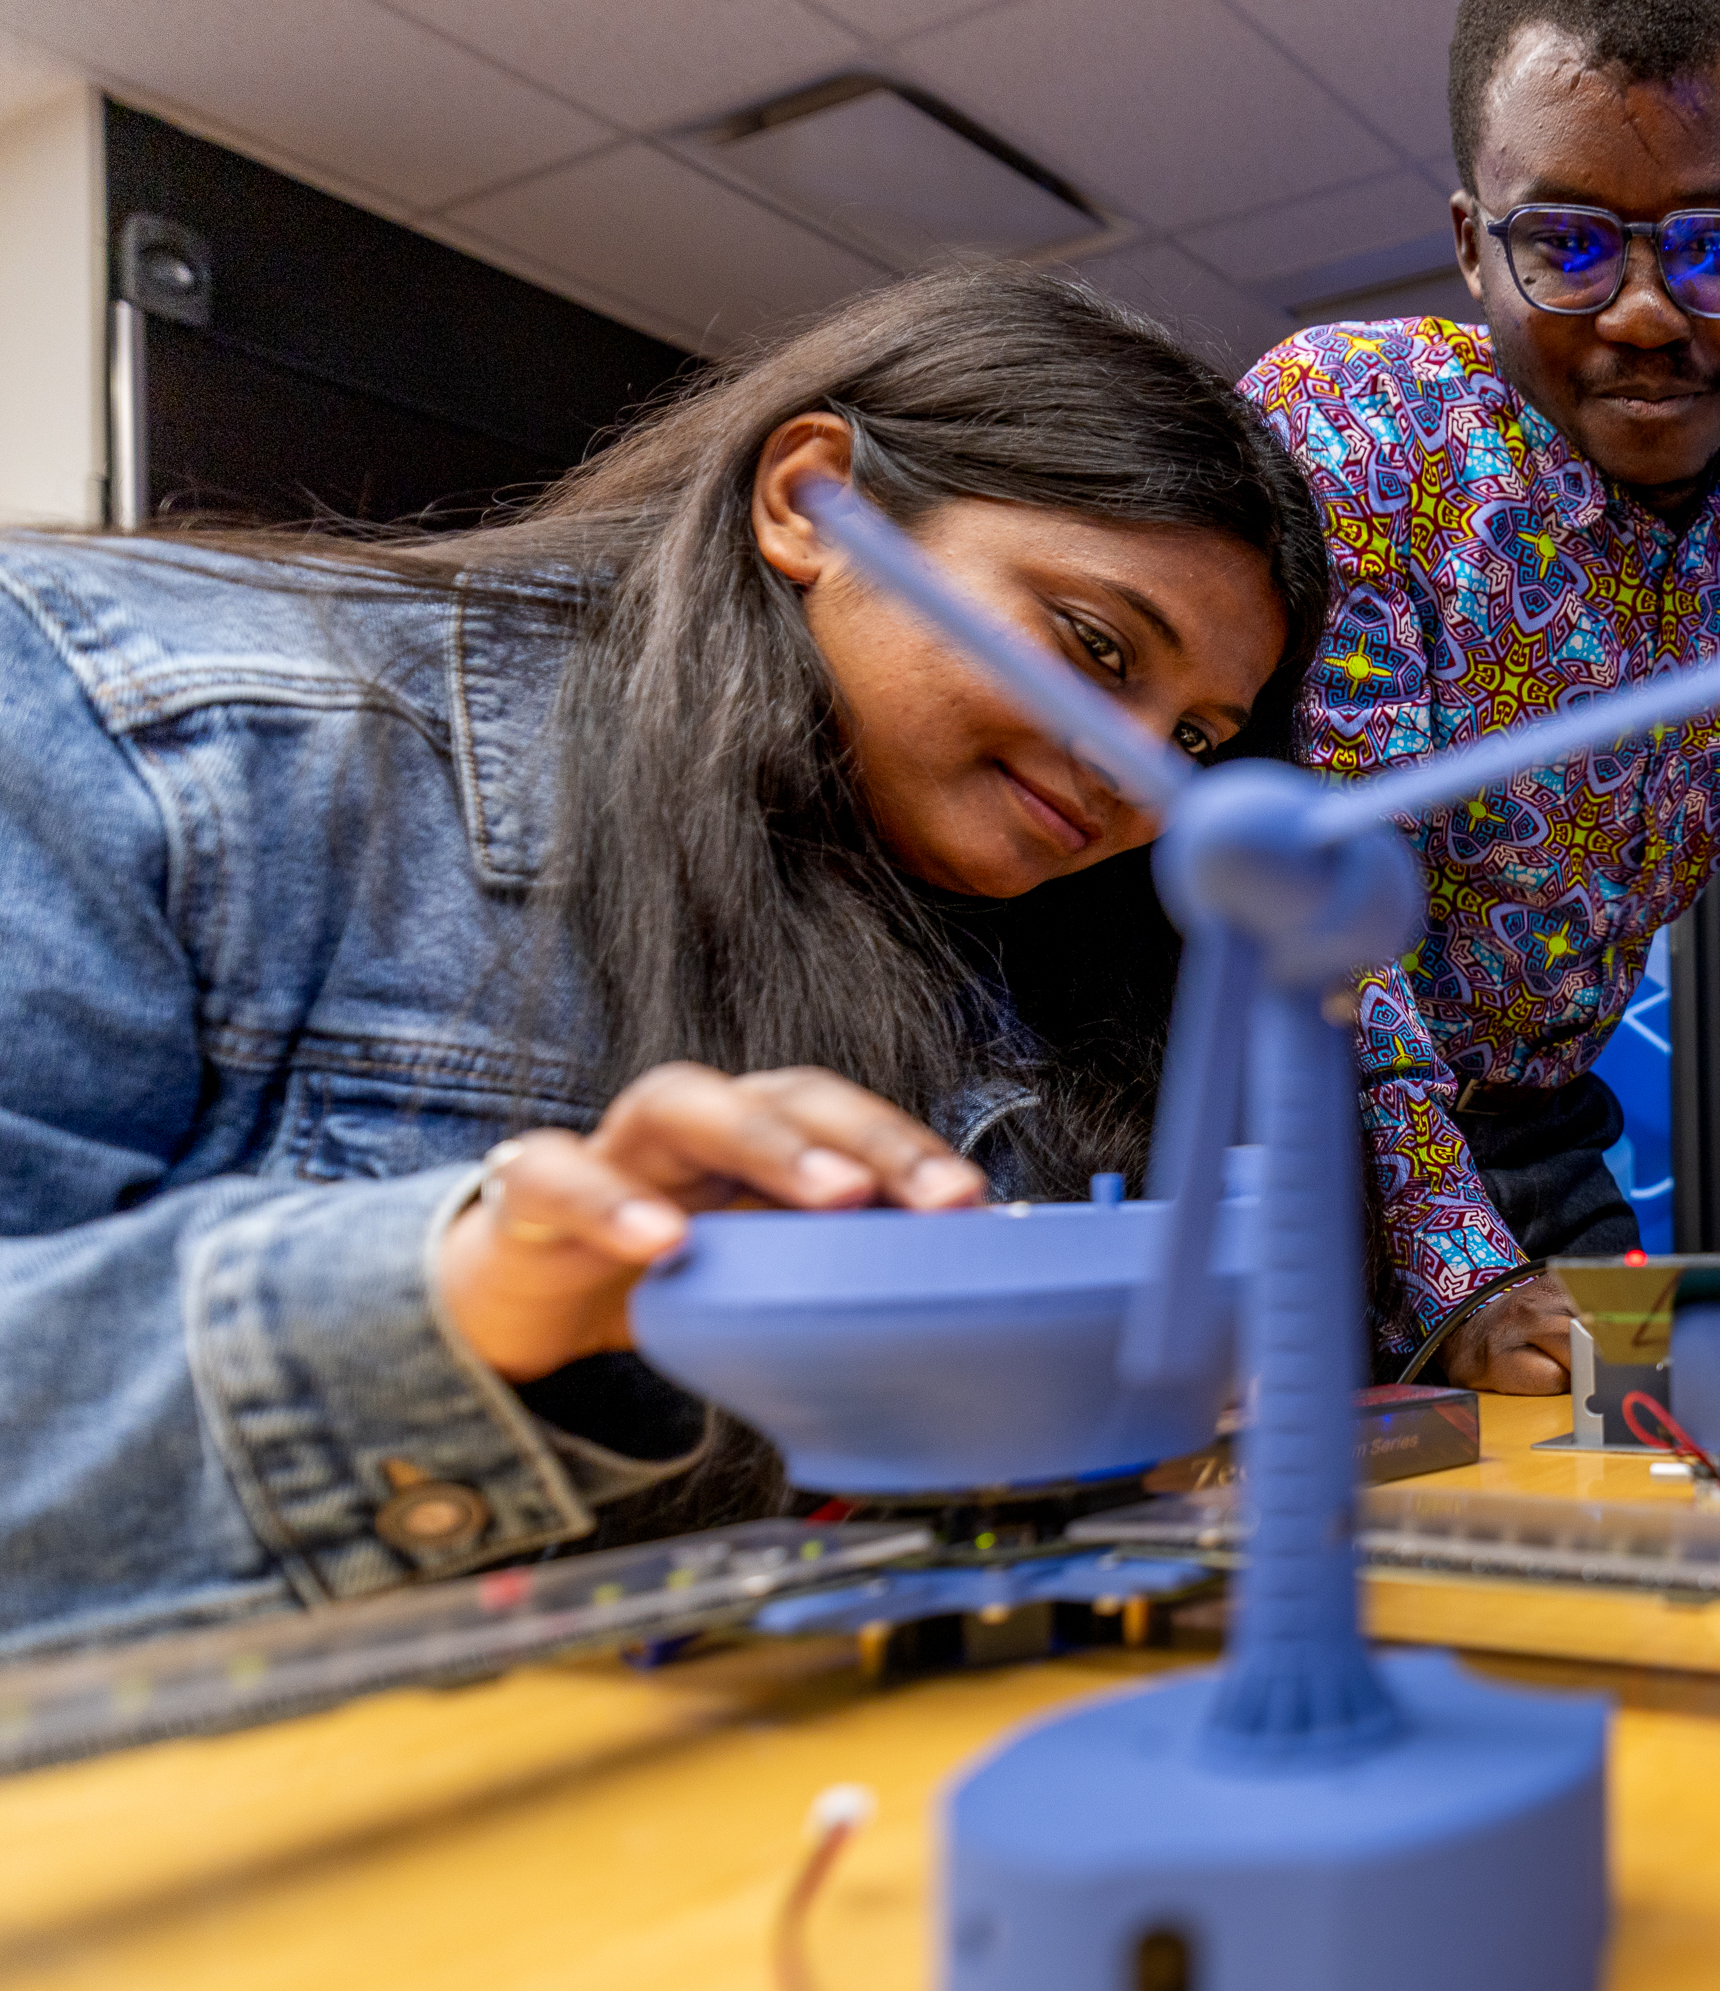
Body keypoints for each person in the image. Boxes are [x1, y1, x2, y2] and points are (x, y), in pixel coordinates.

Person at [0, 265, 1330, 1653]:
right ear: (813, 499)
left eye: (1194, 740)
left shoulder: (1015, 944)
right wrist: (467, 1296)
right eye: (1097, 646)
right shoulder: (138, 718)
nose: (1139, 787)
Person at [1246, 0, 1720, 1394]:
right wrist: (1462, 1279)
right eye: (1571, 245)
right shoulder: (1363, 430)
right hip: (1282, 1140)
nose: (1650, 312)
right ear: (1476, 246)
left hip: (1545, 1142)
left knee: (1698, 1469)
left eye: (1715, 244)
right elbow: (1325, 908)